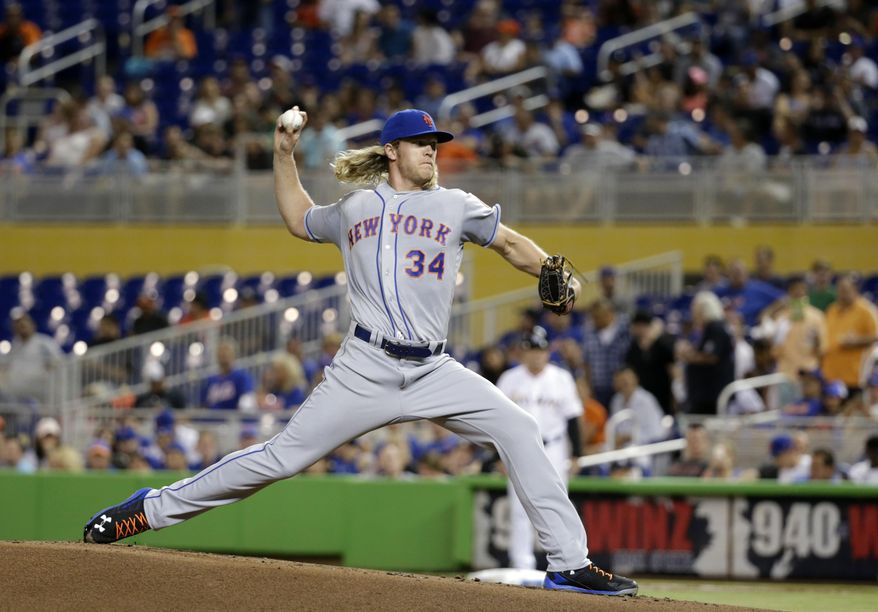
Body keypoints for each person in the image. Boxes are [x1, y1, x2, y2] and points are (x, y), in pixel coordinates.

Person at [82, 107, 637, 596]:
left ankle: (569, 564)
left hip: (433, 368)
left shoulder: (454, 204)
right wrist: (283, 155)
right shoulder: (355, 208)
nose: (431, 151)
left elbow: (513, 243)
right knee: (281, 459)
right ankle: (148, 510)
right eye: (421, 144)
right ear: (392, 151)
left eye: (435, 144)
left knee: (518, 428)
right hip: (365, 367)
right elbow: (299, 217)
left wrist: (548, 268)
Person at [495, 326, 583, 571]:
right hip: (519, 449)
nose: (536, 355)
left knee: (558, 505)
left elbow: (573, 418)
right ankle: (521, 564)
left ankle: (566, 564)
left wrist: (577, 454)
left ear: (547, 352)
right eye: (531, 349)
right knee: (519, 506)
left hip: (554, 446)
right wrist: (498, 454)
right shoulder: (509, 379)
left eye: (540, 350)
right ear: (522, 352)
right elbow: (497, 420)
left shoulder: (561, 378)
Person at [678, 292, 735, 415]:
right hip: (704, 393)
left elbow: (711, 357)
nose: (693, 313)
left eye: (695, 309)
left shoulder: (716, 328)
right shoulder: (709, 328)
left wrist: (688, 357)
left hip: (712, 393)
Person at [822, 274, 878, 394]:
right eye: (840, 290)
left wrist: (856, 341)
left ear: (855, 290)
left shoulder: (866, 310)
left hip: (854, 375)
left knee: (853, 411)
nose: (842, 294)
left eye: (846, 290)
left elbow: (876, 336)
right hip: (831, 374)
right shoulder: (832, 309)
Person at [2, 312, 62, 403]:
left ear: (32, 325)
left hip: (40, 392)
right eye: (18, 326)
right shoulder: (14, 346)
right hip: (17, 393)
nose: (21, 328)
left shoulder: (44, 343)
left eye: (23, 325)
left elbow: (58, 363)